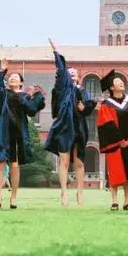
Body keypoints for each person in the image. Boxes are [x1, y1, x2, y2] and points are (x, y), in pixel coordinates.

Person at [44, 39, 98, 206]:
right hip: (64, 127)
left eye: (74, 73)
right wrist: (56, 52)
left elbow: (89, 108)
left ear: (78, 77)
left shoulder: (82, 91)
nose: (71, 73)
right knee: (64, 161)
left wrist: (84, 107)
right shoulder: (62, 88)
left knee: (80, 162)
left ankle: (80, 193)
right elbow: (61, 70)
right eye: (69, 72)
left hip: (79, 128)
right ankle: (64, 193)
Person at [0, 58, 45, 209]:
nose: (12, 78)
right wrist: (2, 70)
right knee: (1, 162)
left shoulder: (24, 97)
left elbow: (32, 110)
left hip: (19, 132)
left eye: (16, 77)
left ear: (21, 83)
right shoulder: (3, 93)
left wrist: (33, 96)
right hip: (4, 131)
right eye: (11, 77)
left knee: (15, 165)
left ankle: (13, 197)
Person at [97, 70, 128, 211]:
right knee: (115, 171)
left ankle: (127, 202)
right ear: (112, 88)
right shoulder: (106, 104)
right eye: (117, 82)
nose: (121, 82)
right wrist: (120, 141)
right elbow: (108, 124)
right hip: (115, 144)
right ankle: (114, 201)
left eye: (121, 81)